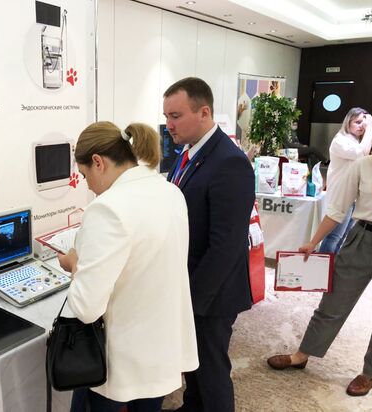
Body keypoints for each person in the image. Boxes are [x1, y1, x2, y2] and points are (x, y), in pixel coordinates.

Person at [57, 121, 199, 412]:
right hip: (162, 350)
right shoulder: (170, 192)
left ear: (98, 162)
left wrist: (74, 264)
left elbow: (86, 308)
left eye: (84, 175)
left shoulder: (107, 208)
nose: (87, 185)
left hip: (120, 360)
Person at [162, 77, 255, 412]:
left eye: (176, 116)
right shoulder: (187, 153)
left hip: (212, 292)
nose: (169, 124)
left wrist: (194, 299)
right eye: (166, 116)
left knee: (212, 368)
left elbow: (226, 245)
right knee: (193, 362)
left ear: (204, 112)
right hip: (189, 282)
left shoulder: (230, 162)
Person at [267, 154, 372, 397]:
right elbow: (338, 209)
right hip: (361, 238)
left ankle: (370, 372)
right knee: (333, 302)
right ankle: (301, 355)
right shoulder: (363, 165)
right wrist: (313, 241)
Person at [318, 107, 372, 254]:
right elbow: (362, 153)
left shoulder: (355, 140)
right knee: (334, 236)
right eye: (358, 122)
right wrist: (369, 127)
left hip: (353, 196)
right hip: (340, 195)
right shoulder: (340, 141)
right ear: (348, 122)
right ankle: (324, 265)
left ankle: (333, 265)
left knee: (342, 237)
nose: (362, 126)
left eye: (363, 123)